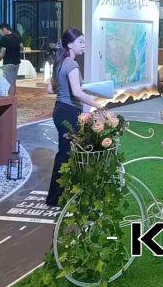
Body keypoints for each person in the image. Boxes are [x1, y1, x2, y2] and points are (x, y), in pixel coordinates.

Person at [44, 28, 101, 206]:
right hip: (69, 112)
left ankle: (59, 196)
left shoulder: (59, 62)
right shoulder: (72, 65)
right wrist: (98, 104)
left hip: (59, 110)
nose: (84, 45)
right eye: (80, 42)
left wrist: (65, 89)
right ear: (70, 44)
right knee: (67, 154)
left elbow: (50, 89)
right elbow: (77, 92)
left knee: (65, 153)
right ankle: (57, 198)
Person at [0, 23, 22, 96]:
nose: (0, 33)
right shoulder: (17, 36)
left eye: (0, 31)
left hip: (8, 63)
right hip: (17, 62)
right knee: (13, 82)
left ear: (4, 29)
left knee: (9, 82)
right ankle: (13, 97)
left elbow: (3, 52)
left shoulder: (4, 38)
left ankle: (11, 99)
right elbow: (22, 47)